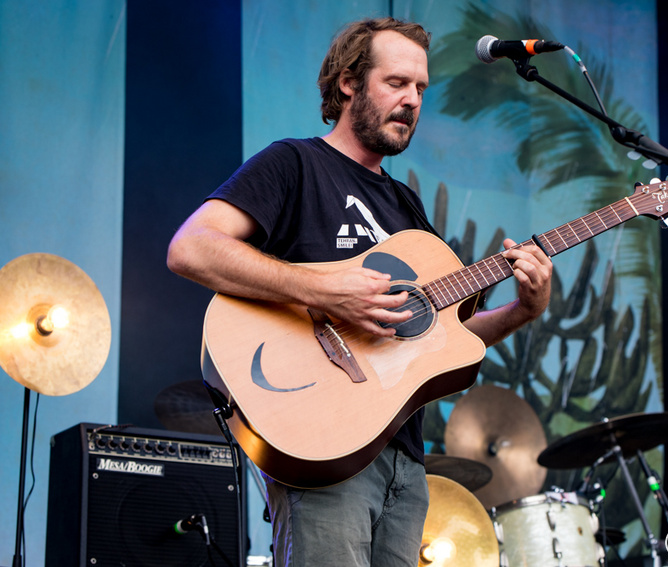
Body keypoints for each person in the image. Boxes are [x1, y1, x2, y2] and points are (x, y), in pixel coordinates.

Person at [167, 16, 553, 567]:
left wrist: (523, 309)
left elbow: (447, 340)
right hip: (323, 441)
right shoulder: (295, 163)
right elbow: (192, 247)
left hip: (404, 460)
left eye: (421, 88)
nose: (413, 100)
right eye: (397, 83)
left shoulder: (409, 210)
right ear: (348, 82)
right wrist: (324, 290)